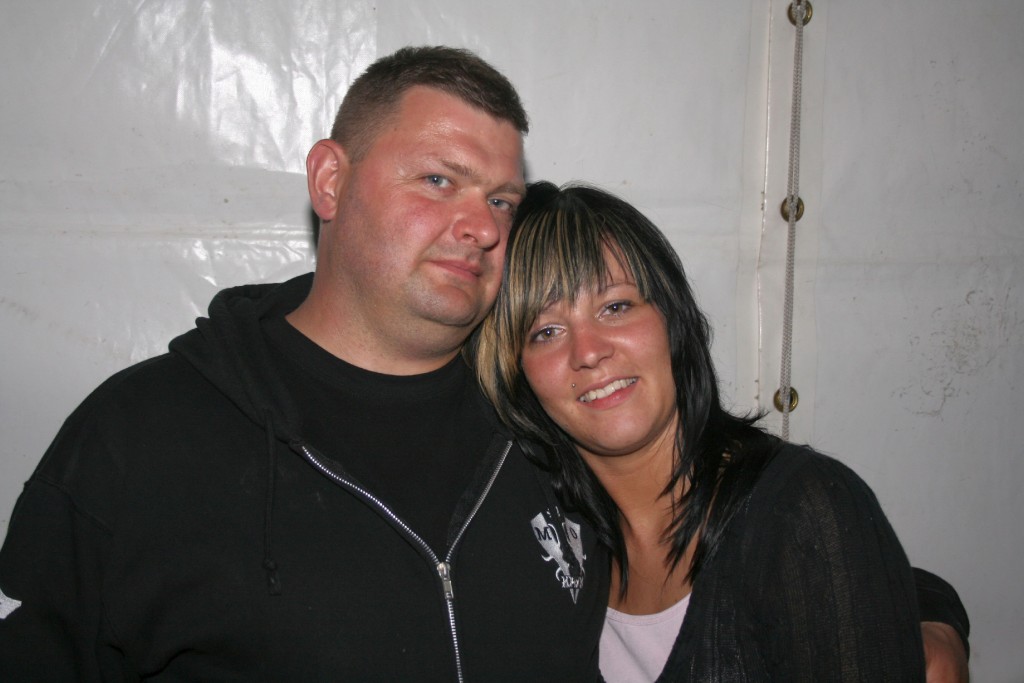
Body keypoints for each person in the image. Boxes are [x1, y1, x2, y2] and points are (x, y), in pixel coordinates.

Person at [0, 47, 967, 681]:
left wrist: (927, 616)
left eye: (501, 199)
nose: (480, 225)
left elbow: (767, 536)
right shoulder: (142, 439)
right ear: (330, 179)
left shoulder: (531, 418)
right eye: (439, 180)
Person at [473, 181, 970, 681]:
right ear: (518, 375)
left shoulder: (801, 510)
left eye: (616, 307)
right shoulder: (556, 543)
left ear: (672, 318)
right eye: (546, 332)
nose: (588, 351)